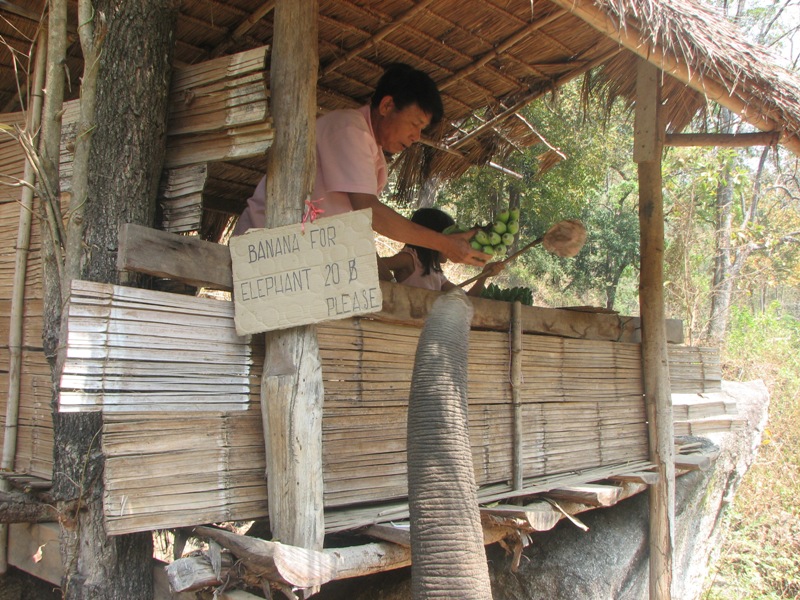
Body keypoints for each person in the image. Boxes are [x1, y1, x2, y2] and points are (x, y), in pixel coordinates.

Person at [233, 63, 491, 268]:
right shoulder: (350, 129)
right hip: (267, 249)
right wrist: (444, 243)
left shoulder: (372, 151)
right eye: (415, 124)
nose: (416, 137)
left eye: (421, 129)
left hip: (294, 256)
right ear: (387, 105)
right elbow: (370, 212)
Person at [379, 208, 504, 297]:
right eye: (451, 240)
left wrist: (483, 276)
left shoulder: (436, 274)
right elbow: (373, 264)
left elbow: (468, 299)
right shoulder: (409, 259)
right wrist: (391, 287)